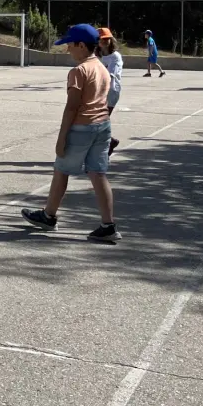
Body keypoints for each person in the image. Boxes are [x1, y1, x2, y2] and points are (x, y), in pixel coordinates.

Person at [22, 24, 121, 243]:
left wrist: (61, 138)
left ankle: (48, 216)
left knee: (61, 170)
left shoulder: (79, 71)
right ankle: (108, 225)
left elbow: (72, 107)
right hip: (103, 125)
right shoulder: (102, 67)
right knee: (98, 174)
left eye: (70, 45)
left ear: (82, 45)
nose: (68, 49)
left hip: (81, 128)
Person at [97, 27, 124, 155]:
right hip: (99, 92)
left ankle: (108, 144)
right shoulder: (98, 56)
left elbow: (110, 75)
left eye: (107, 38)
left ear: (111, 40)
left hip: (111, 92)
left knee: (100, 121)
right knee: (97, 122)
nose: (104, 41)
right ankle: (110, 142)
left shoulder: (115, 56)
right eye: (101, 39)